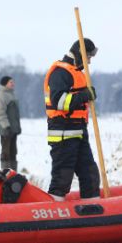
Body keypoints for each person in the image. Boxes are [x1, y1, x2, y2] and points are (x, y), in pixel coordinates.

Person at [43, 39, 100, 201]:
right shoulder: (60, 73)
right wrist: (85, 95)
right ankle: (52, 213)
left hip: (79, 132)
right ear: (80, 55)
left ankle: (93, 212)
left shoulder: (76, 73)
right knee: (62, 178)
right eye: (88, 57)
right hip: (63, 133)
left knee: (90, 174)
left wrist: (87, 95)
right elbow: (59, 102)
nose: (89, 62)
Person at [0, 75, 21, 171]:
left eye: (13, 82)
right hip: (5, 129)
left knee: (13, 152)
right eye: (11, 82)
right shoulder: (1, 95)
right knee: (6, 153)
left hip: (13, 129)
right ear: (5, 84)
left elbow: (14, 114)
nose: (13, 84)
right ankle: (6, 173)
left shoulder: (11, 94)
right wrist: (6, 126)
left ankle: (13, 173)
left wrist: (17, 127)